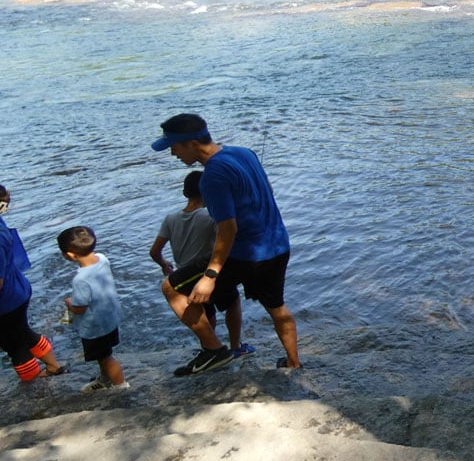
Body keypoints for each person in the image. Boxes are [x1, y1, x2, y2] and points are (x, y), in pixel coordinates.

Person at [151, 113, 300, 370]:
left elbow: (228, 229)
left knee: (171, 288)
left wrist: (210, 275)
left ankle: (214, 351)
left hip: (243, 254)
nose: (173, 154)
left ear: (192, 144)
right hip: (277, 246)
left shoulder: (212, 177)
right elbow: (269, 190)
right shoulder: (245, 153)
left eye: (174, 147)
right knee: (276, 307)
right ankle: (293, 363)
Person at [149, 170, 248, 373]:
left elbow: (155, 251)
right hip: (205, 272)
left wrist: (164, 264)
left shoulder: (170, 218)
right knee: (233, 301)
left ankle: (209, 349)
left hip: (184, 277)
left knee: (204, 311)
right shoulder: (210, 216)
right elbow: (228, 237)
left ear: (185, 193)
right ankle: (236, 347)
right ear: (207, 193)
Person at [0, 185, 66, 382]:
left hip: (6, 301)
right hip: (18, 290)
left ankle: (35, 390)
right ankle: (54, 366)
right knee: (24, 333)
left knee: (15, 346)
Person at [58, 225, 127, 393]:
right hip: (109, 317)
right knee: (103, 354)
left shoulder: (80, 280)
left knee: (106, 358)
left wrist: (69, 302)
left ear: (70, 255)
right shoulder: (102, 259)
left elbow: (79, 308)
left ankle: (121, 387)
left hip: (95, 326)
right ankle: (105, 379)